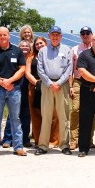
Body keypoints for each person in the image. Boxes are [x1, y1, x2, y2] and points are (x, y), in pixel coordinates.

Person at [0, 26, 27, 157]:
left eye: (5, 35)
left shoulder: (17, 51)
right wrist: (2, 82)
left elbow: (22, 69)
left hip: (14, 90)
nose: (3, 37)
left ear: (9, 36)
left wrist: (10, 81)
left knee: (15, 119)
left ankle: (18, 147)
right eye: (0, 35)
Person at [35, 26, 72, 156]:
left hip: (62, 85)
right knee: (46, 116)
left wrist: (59, 82)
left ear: (61, 36)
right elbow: (40, 69)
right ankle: (43, 145)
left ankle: (64, 145)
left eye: (57, 35)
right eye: (53, 35)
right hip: (47, 85)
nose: (55, 37)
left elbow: (69, 69)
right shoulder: (42, 51)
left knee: (63, 116)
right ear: (49, 36)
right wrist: (50, 83)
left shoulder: (67, 50)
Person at [26, 36, 59, 147]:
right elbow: (27, 72)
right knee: (36, 114)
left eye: (41, 43)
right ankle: (38, 140)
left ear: (46, 43)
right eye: (37, 44)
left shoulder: (52, 55)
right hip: (35, 86)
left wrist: (49, 83)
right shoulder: (31, 57)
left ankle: (53, 140)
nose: (39, 45)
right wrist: (37, 83)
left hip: (50, 85)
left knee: (53, 114)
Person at [69, 26, 94, 150]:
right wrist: (70, 85)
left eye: (87, 33)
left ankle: (89, 139)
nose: (85, 35)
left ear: (91, 34)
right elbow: (70, 69)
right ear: (80, 36)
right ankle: (74, 140)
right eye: (83, 33)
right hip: (78, 82)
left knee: (91, 111)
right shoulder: (74, 49)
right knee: (75, 110)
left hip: (92, 83)